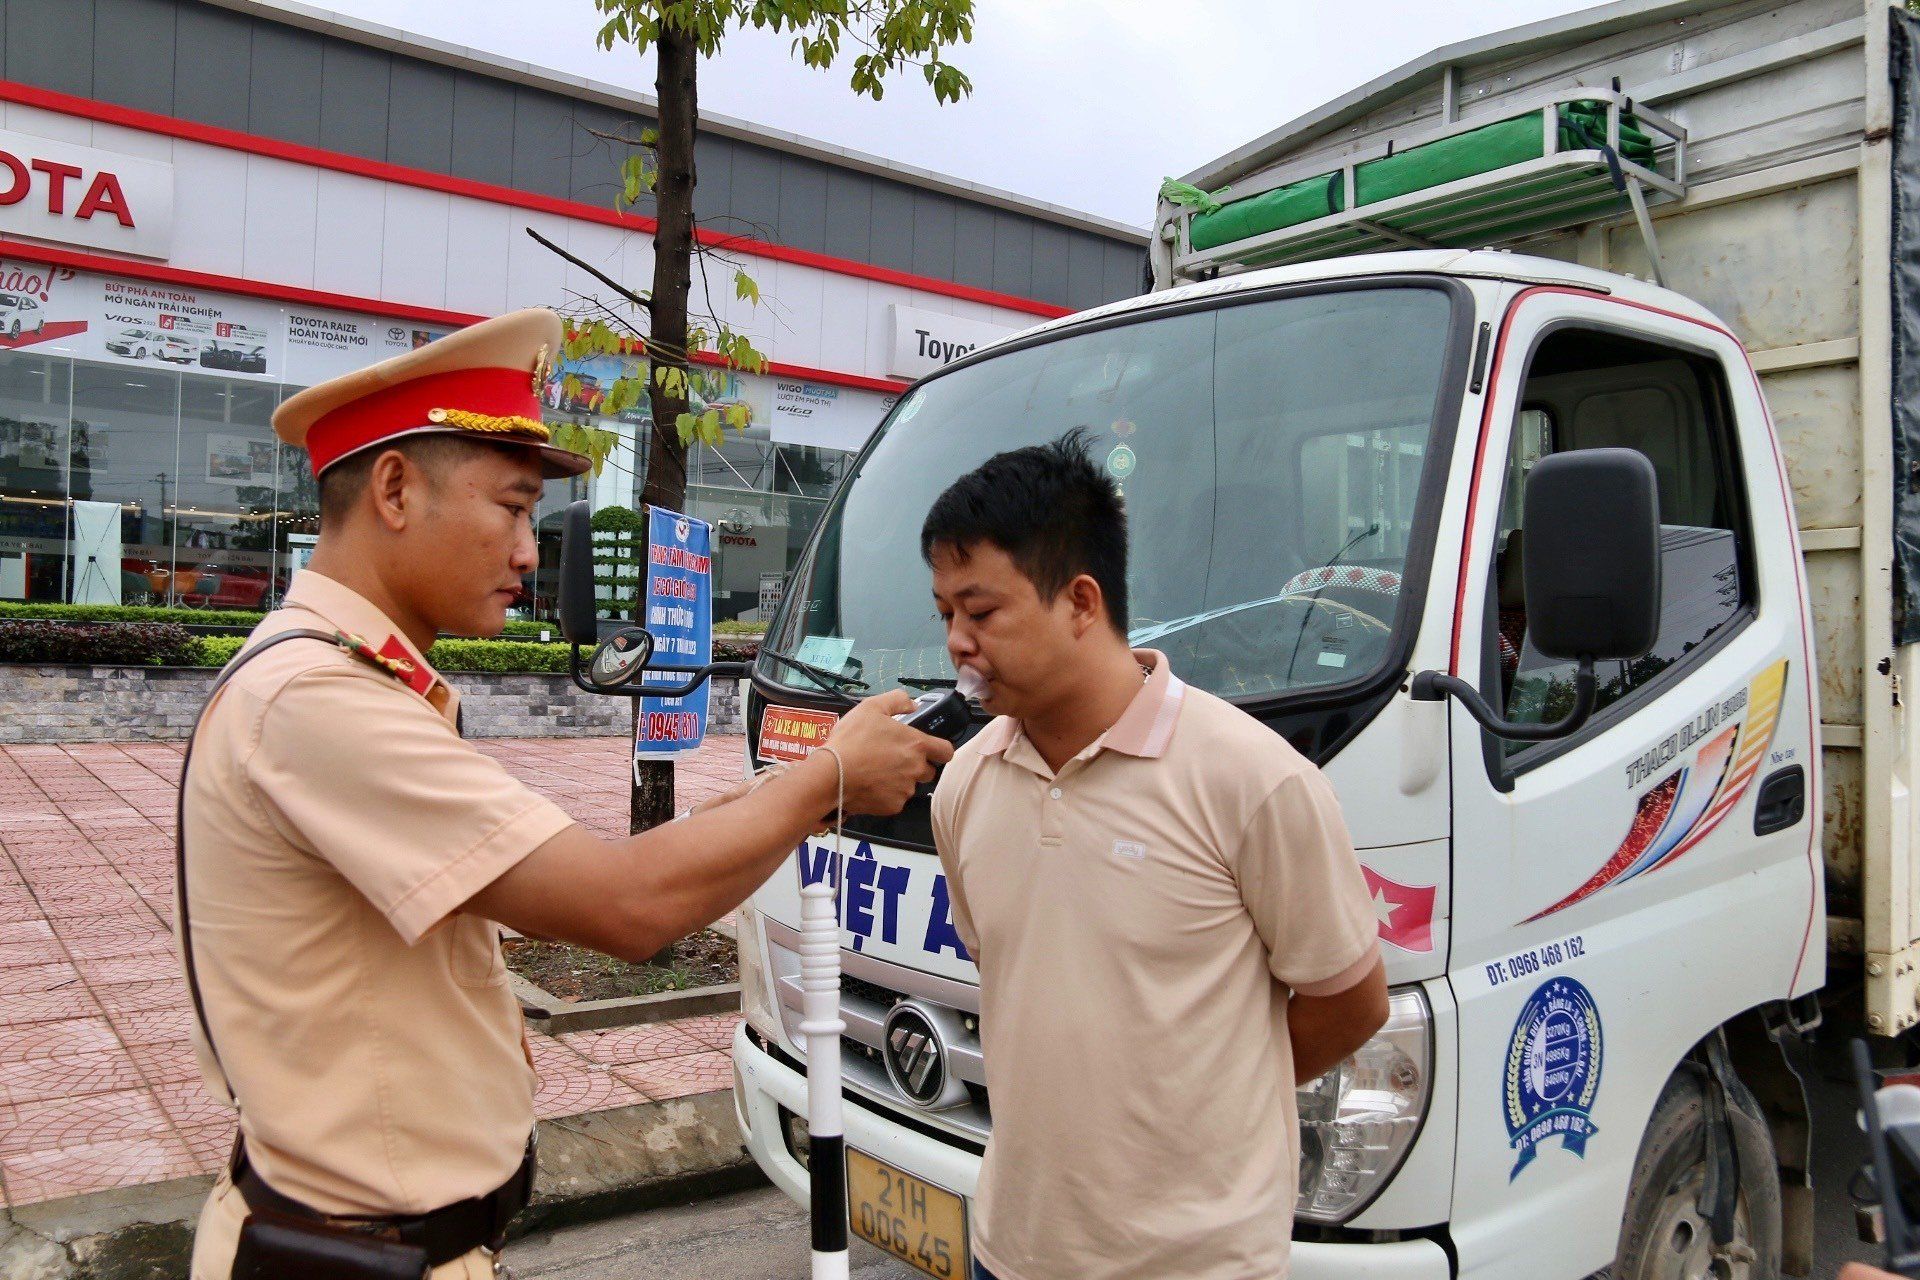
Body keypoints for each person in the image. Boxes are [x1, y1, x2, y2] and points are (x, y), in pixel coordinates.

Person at [179, 308, 952, 1279]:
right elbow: (624, 903)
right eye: (509, 507)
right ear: (393, 489)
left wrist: (810, 781)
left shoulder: (342, 682)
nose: (527, 551)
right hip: (357, 1253)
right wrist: (832, 778)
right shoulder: (317, 701)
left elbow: (595, 872)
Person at [925, 430, 1390, 1280]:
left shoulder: (1253, 781)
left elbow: (1350, 1004)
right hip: (1012, 1248)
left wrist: (1207, 1099)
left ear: (1081, 602)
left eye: (982, 611)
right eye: (945, 613)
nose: (958, 640)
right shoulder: (965, 788)